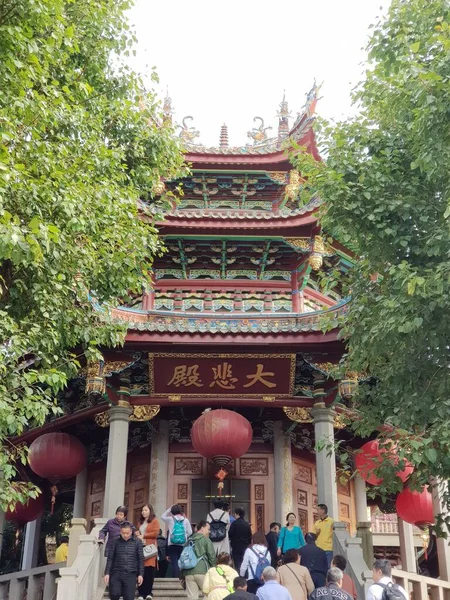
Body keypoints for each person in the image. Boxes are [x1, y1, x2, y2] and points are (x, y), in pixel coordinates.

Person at [104, 521, 144, 600]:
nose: (125, 535)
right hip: (116, 572)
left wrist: (141, 574)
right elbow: (110, 558)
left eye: (127, 533)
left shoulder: (137, 542)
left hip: (131, 573)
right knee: (115, 594)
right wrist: (107, 573)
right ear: (120, 531)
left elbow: (140, 559)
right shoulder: (115, 541)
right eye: (123, 533)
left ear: (131, 531)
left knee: (129, 597)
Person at [182, 520, 216, 600]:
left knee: (192, 597)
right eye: (208, 529)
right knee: (209, 594)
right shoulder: (206, 540)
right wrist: (213, 569)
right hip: (202, 571)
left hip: (188, 573)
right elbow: (212, 556)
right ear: (202, 528)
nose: (209, 531)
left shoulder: (188, 541)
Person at [136, 503, 160, 600]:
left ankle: (149, 593)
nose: (144, 512)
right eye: (142, 510)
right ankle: (141, 593)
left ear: (150, 510)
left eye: (145, 510)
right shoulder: (140, 522)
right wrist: (137, 533)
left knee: (149, 571)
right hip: (140, 547)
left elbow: (155, 533)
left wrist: (144, 535)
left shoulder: (154, 521)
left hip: (150, 549)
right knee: (141, 570)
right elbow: (138, 533)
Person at [162, 504, 193, 578]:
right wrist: (185, 537)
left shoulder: (170, 519)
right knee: (181, 561)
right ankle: (182, 577)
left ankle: (176, 578)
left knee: (174, 562)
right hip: (182, 544)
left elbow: (162, 517)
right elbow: (190, 532)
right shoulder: (185, 520)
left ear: (172, 512)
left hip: (172, 544)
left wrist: (169, 509)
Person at [228, 507, 252, 573]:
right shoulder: (247, 524)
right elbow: (250, 537)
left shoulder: (234, 523)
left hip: (236, 547)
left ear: (237, 514)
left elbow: (230, 535)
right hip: (245, 547)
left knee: (237, 564)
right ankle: (245, 577)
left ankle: (239, 577)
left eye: (235, 514)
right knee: (245, 563)